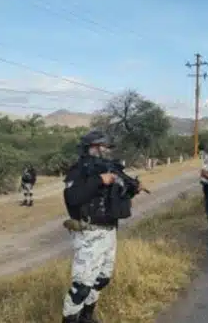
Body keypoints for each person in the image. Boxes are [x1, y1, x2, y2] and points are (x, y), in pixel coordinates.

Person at [61, 130, 145, 323]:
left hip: (109, 232)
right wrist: (99, 180)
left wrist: (133, 188)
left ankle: (86, 318)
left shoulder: (110, 168)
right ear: (93, 147)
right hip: (90, 234)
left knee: (101, 279)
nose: (108, 151)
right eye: (105, 147)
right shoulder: (79, 170)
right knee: (81, 286)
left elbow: (116, 197)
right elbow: (72, 198)